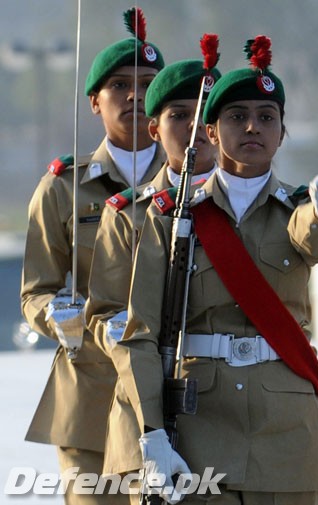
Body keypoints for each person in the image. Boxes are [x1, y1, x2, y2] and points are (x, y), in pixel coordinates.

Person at [109, 34, 318, 504]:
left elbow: (315, 242)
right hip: (201, 424)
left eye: (267, 117)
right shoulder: (172, 217)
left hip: (285, 428)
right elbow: (139, 333)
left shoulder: (299, 209)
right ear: (212, 132)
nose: (253, 127)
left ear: (283, 132)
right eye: (237, 117)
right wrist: (152, 431)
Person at [20, 8, 164, 504]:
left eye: (149, 83)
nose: (136, 95)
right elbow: (36, 290)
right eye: (120, 85)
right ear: (94, 103)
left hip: (176, 391)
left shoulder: (199, 184)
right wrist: (59, 318)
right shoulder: (64, 188)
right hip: (92, 393)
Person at [83, 36, 222, 500]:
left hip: (233, 413)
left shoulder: (254, 209)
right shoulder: (129, 213)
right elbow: (105, 311)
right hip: (146, 406)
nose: (194, 126)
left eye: (205, 115)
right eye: (179, 115)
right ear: (155, 127)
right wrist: (129, 333)